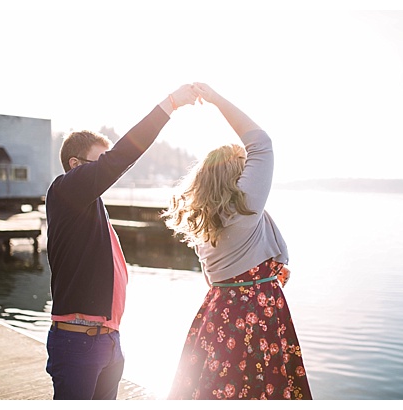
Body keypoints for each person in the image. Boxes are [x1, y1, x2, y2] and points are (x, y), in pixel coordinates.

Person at [45, 84, 200, 399]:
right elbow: (122, 157)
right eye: (99, 162)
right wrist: (169, 105)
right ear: (75, 165)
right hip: (79, 342)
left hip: (108, 341)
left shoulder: (90, 205)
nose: (108, 169)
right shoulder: (66, 190)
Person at [162, 83, 312, 400]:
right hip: (256, 313)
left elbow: (215, 277)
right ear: (238, 177)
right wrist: (215, 98)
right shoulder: (245, 207)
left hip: (216, 312)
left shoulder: (203, 222)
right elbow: (261, 142)